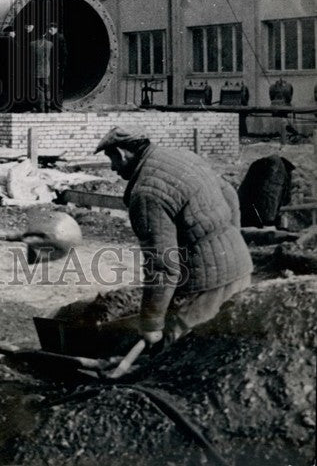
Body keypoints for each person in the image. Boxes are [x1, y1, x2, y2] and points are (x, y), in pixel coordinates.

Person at [94, 126, 252, 347]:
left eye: (112, 160)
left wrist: (151, 325)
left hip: (207, 286)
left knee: (182, 352)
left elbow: (162, 266)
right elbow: (229, 194)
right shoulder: (182, 156)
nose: (113, 168)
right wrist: (231, 241)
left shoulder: (146, 193)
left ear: (122, 153)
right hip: (240, 266)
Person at [29, 30, 53, 113]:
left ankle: (41, 108)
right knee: (47, 88)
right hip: (46, 70)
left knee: (40, 89)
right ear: (44, 34)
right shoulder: (50, 44)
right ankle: (48, 108)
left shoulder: (32, 44)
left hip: (37, 71)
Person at [47, 23, 67, 110]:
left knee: (58, 85)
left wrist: (60, 65)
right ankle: (54, 103)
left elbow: (64, 53)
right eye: (49, 29)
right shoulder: (52, 37)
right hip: (53, 65)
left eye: (51, 29)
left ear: (55, 29)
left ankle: (58, 105)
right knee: (53, 85)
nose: (49, 31)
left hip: (57, 65)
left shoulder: (59, 38)